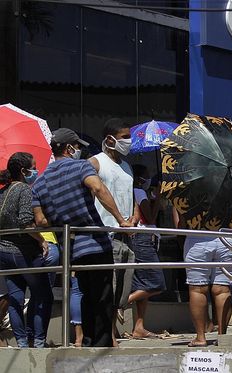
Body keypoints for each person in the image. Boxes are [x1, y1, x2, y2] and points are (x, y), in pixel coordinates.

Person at [32, 128, 133, 347]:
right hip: (96, 243)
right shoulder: (81, 166)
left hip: (72, 248)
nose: (78, 150)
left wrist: (62, 219)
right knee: (103, 296)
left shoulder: (40, 181)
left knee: (85, 294)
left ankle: (87, 341)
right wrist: (121, 219)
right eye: (77, 147)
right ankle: (101, 345)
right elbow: (98, 188)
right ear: (69, 148)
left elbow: (40, 221)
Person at [89, 118, 139, 345]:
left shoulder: (127, 166)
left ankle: (112, 331)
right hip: (107, 234)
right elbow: (90, 196)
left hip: (127, 235)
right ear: (110, 140)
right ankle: (106, 335)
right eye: (124, 138)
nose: (128, 142)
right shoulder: (96, 162)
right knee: (108, 287)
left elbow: (131, 196)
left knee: (122, 291)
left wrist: (135, 217)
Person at [0, 152, 53, 348]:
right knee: (43, 296)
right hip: (24, 253)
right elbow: (25, 221)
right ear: (23, 171)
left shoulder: (3, 191)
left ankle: (22, 343)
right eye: (34, 167)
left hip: (4, 252)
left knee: (16, 298)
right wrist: (41, 240)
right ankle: (38, 342)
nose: (36, 171)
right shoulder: (24, 189)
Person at [128, 164, 166, 339]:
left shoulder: (138, 193)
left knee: (142, 284)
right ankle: (121, 303)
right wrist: (157, 199)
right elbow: (150, 217)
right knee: (157, 283)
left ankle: (139, 326)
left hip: (142, 239)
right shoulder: (139, 192)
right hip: (144, 239)